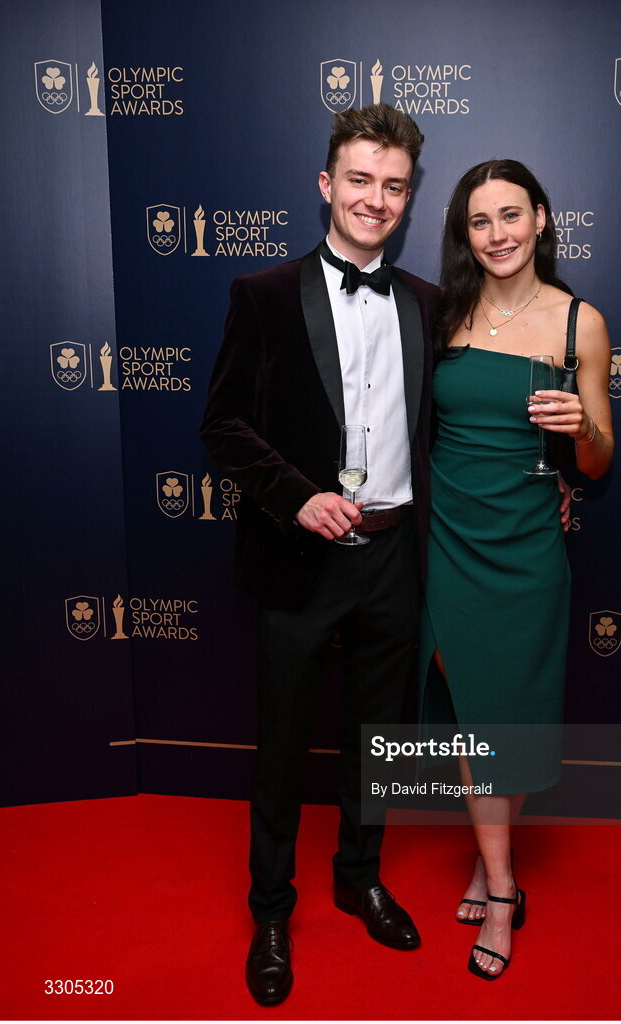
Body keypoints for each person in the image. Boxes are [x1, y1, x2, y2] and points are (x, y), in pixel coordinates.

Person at [199, 104, 439, 1007]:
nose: (374, 199)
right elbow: (220, 425)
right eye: (359, 180)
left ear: (408, 196)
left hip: (391, 557)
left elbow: (448, 430)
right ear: (325, 184)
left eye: (393, 185)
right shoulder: (260, 296)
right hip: (299, 559)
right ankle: (271, 907)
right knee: (284, 745)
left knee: (377, 741)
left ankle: (358, 877)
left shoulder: (425, 302)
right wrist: (297, 495)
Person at [420, 159, 614, 980]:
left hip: (527, 547)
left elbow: (599, 462)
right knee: (471, 711)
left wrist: (580, 428)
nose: (496, 234)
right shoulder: (442, 313)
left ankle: (493, 879)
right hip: (443, 543)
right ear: (464, 235)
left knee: (512, 713)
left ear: (539, 218)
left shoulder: (580, 325)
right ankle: (500, 875)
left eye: (510, 215)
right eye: (478, 221)